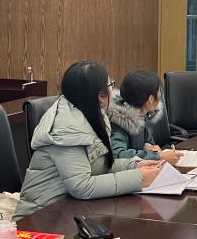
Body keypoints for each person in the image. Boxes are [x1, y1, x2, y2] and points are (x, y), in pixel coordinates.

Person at [15, 61, 163, 219]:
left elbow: (98, 165)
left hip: (69, 209)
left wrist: (134, 165)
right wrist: (138, 178)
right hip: (41, 216)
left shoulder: (92, 114)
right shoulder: (67, 128)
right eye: (110, 84)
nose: (113, 89)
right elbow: (82, 186)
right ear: (100, 96)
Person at [107, 70, 184, 164]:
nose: (161, 95)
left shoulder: (143, 115)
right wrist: (158, 156)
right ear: (151, 99)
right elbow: (118, 155)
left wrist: (149, 147)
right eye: (159, 92)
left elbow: (150, 144)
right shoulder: (117, 121)